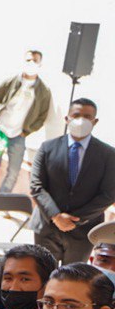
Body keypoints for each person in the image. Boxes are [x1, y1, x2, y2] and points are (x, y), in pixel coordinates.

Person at [30, 98, 115, 264]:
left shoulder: (108, 155)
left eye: (87, 116)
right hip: (47, 227)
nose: (81, 120)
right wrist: (56, 216)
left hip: (84, 232)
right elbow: (36, 186)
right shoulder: (47, 148)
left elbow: (109, 194)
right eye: (76, 115)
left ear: (95, 121)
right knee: (43, 275)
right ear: (67, 118)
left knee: (72, 280)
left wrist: (75, 219)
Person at [0, 50, 53, 194]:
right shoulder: (10, 82)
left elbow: (42, 116)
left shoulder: (43, 91)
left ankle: (1, 202)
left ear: (40, 64)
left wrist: (26, 131)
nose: (31, 63)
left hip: (18, 136)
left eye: (35, 60)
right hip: (0, 130)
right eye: (28, 60)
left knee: (13, 172)